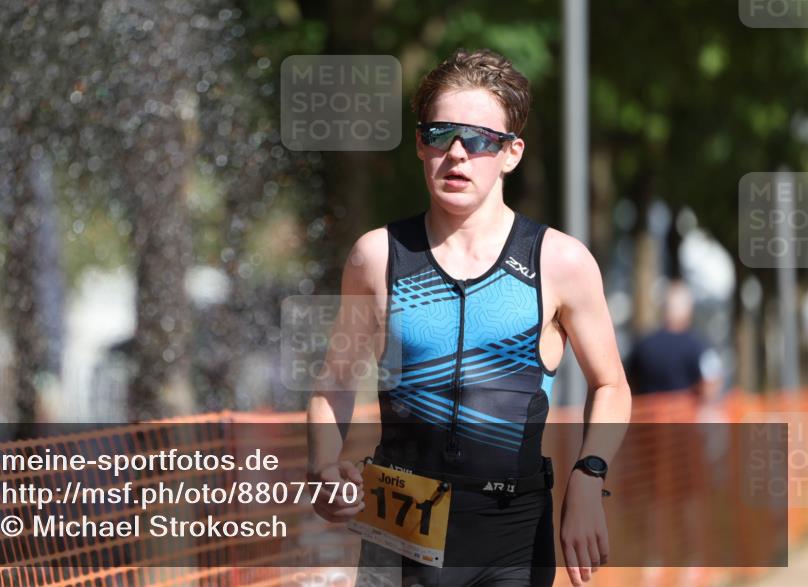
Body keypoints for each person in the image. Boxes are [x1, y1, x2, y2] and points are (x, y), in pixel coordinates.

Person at [306, 48, 632, 587]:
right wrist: (321, 466)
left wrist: (588, 477)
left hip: (510, 533)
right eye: (440, 135)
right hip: (399, 527)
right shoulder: (376, 257)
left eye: (479, 139)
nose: (457, 154)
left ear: (511, 153)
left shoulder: (559, 261)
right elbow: (335, 382)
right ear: (419, 144)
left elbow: (612, 384)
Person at [625, 280, 724, 401]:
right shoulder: (698, 346)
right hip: (685, 417)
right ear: (688, 309)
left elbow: (628, 383)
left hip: (646, 416)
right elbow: (711, 384)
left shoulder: (643, 345)